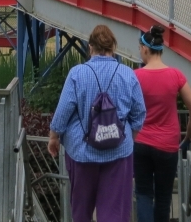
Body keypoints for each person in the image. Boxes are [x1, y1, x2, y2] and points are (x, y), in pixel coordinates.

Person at [48, 25, 146, 222]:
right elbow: (139, 113)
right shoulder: (128, 74)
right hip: (119, 152)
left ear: (90, 47)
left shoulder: (77, 73)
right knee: (114, 213)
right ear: (113, 48)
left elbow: (63, 111)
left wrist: (54, 137)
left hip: (82, 152)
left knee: (81, 210)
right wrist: (128, 138)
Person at [133, 24, 191, 222]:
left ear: (145, 49)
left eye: (140, 49)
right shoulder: (175, 75)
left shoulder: (135, 76)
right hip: (167, 145)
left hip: (141, 142)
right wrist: (189, 134)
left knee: (144, 193)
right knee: (163, 198)